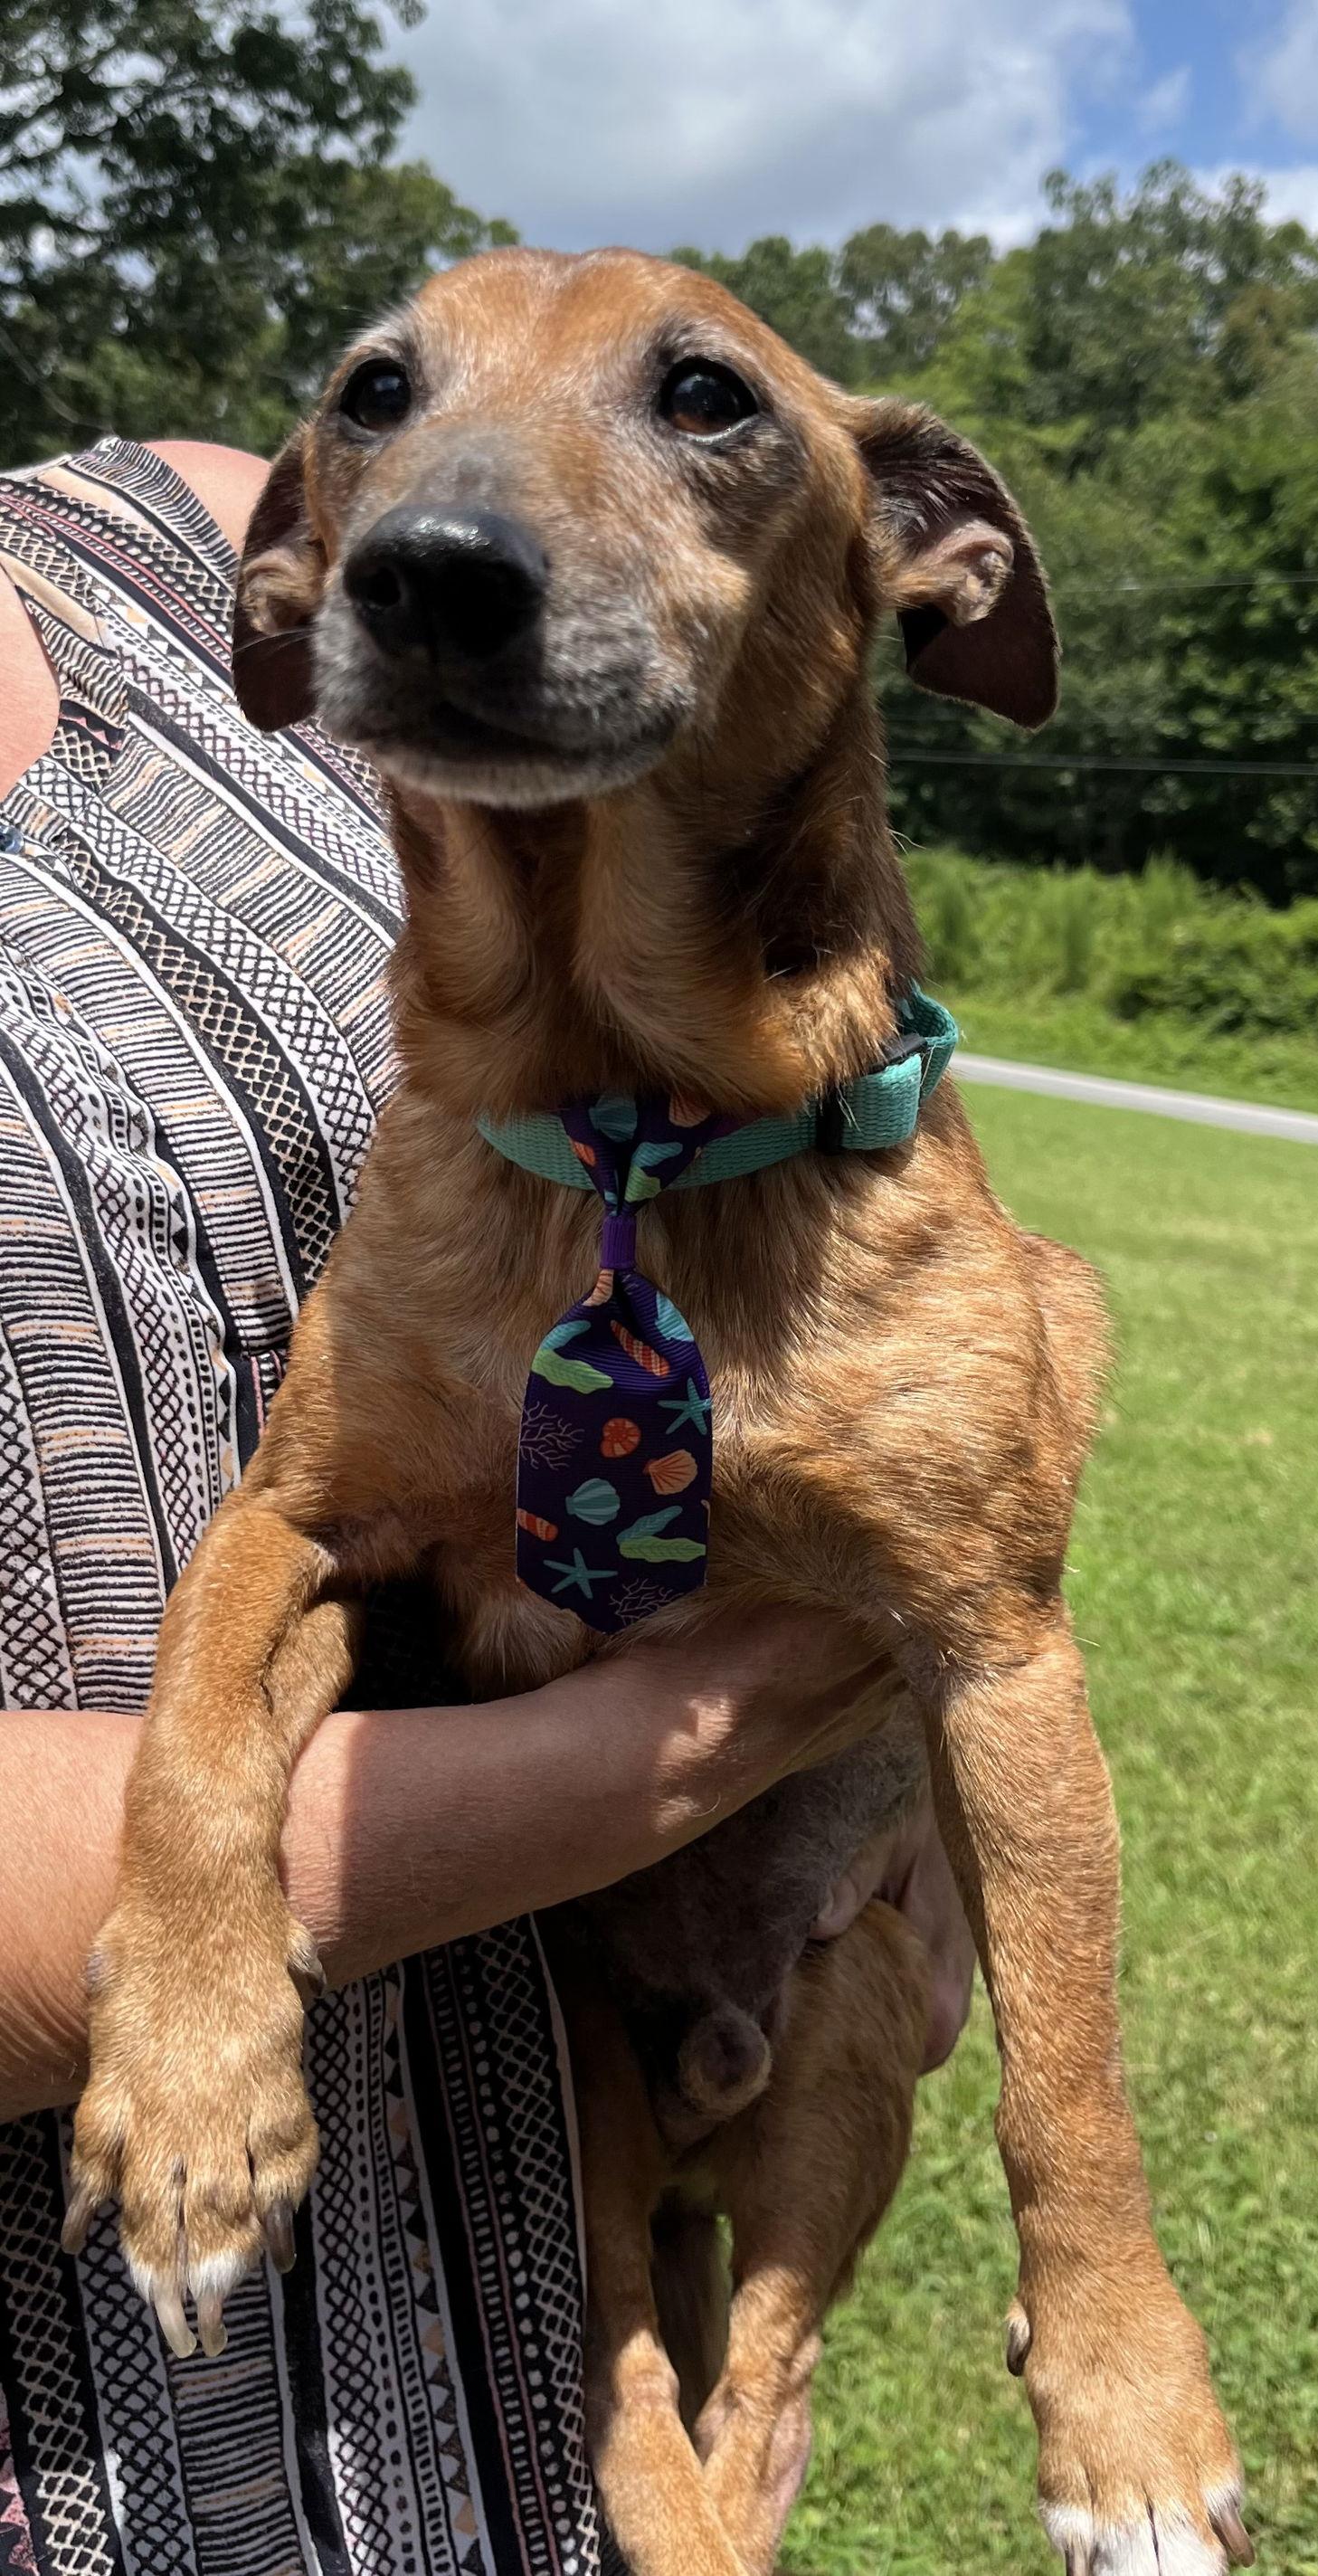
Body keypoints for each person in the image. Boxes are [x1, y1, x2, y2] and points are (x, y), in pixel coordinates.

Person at [0, 436, 972, 2576]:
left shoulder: (241, 535)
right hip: (125, 2426)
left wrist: (908, 1746)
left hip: (546, 2197)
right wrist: (712, 1737)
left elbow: (780, 1085)